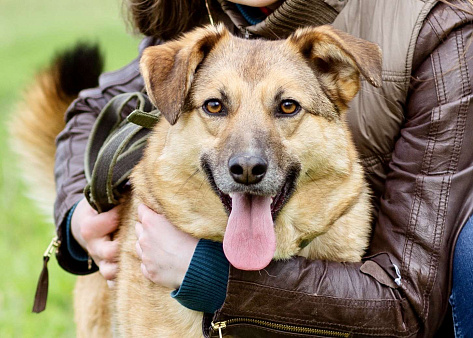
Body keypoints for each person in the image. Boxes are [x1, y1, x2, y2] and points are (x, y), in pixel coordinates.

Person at [53, 0, 473, 336]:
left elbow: (409, 299)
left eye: (286, 107)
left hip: (384, 276)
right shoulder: (199, 17)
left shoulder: (434, 27)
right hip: (155, 259)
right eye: (216, 106)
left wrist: (209, 275)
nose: (249, 160)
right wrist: (77, 216)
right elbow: (94, 105)